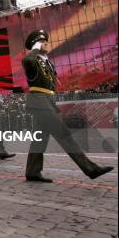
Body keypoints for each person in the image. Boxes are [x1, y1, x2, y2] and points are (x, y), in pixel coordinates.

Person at [22, 29, 113, 182]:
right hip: (40, 102)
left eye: (45, 41)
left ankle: (32, 172)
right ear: (35, 44)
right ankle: (91, 169)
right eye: (42, 41)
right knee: (64, 135)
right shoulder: (33, 60)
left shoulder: (45, 61)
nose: (46, 43)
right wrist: (35, 50)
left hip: (47, 102)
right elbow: (27, 62)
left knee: (39, 139)